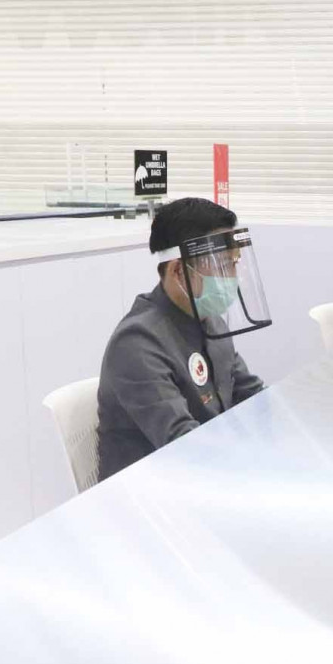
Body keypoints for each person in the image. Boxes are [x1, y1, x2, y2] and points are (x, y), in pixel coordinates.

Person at [97, 197, 266, 481]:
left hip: (203, 480)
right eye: (222, 265)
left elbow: (252, 397)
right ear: (177, 270)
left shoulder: (210, 321)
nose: (231, 277)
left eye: (234, 264)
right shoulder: (138, 343)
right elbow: (183, 445)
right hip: (148, 498)